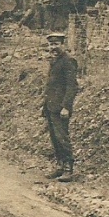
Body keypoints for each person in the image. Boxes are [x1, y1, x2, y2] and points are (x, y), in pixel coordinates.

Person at [42, 32, 79, 182]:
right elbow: (51, 86)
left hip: (60, 108)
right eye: (51, 44)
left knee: (62, 138)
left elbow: (72, 86)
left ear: (63, 45)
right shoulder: (54, 61)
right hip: (51, 106)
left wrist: (66, 107)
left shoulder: (68, 61)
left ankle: (68, 169)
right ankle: (59, 166)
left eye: (56, 44)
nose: (53, 47)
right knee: (55, 138)